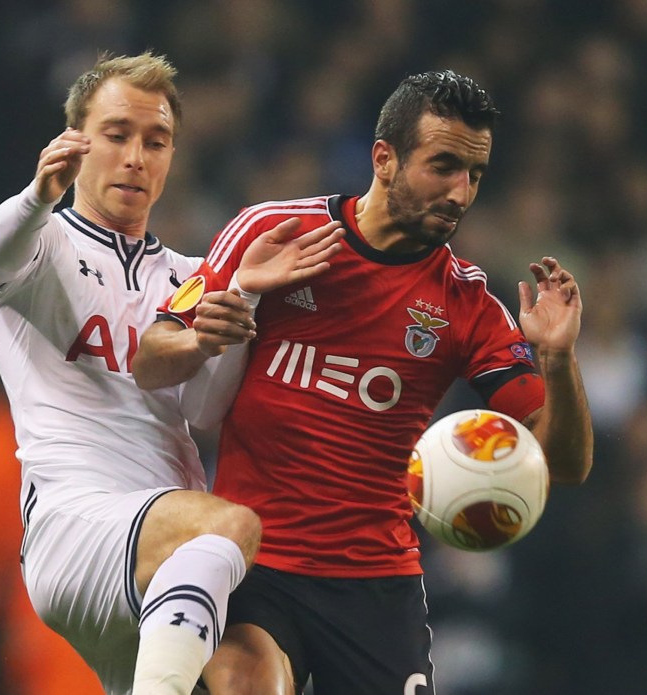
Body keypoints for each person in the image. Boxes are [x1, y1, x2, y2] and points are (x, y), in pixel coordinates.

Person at [133, 69, 595, 694]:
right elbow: (152, 358)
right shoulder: (275, 233)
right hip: (255, 561)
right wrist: (206, 331)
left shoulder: (468, 305)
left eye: (475, 176)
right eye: (444, 166)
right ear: (384, 158)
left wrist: (559, 362)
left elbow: (562, 462)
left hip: (377, 584)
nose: (460, 193)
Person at [0, 52, 342, 695]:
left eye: (157, 141)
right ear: (77, 141)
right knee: (232, 522)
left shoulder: (189, 277)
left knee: (255, 673)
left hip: (171, 556)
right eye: (117, 135)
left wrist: (244, 302)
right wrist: (39, 194)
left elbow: (203, 410)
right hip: (77, 522)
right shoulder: (44, 246)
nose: (136, 157)